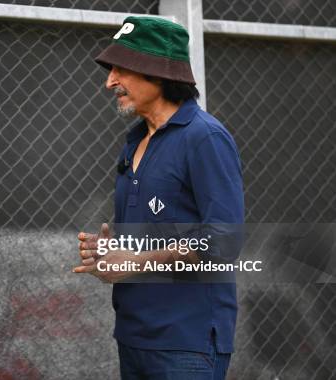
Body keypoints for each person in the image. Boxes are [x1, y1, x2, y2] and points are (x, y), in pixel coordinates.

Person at [73, 16, 244, 380]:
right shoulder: (134, 141)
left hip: (187, 343)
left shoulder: (205, 138)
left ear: (159, 72)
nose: (109, 81)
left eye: (122, 69)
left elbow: (224, 240)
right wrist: (111, 255)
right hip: (134, 337)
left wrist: (134, 261)